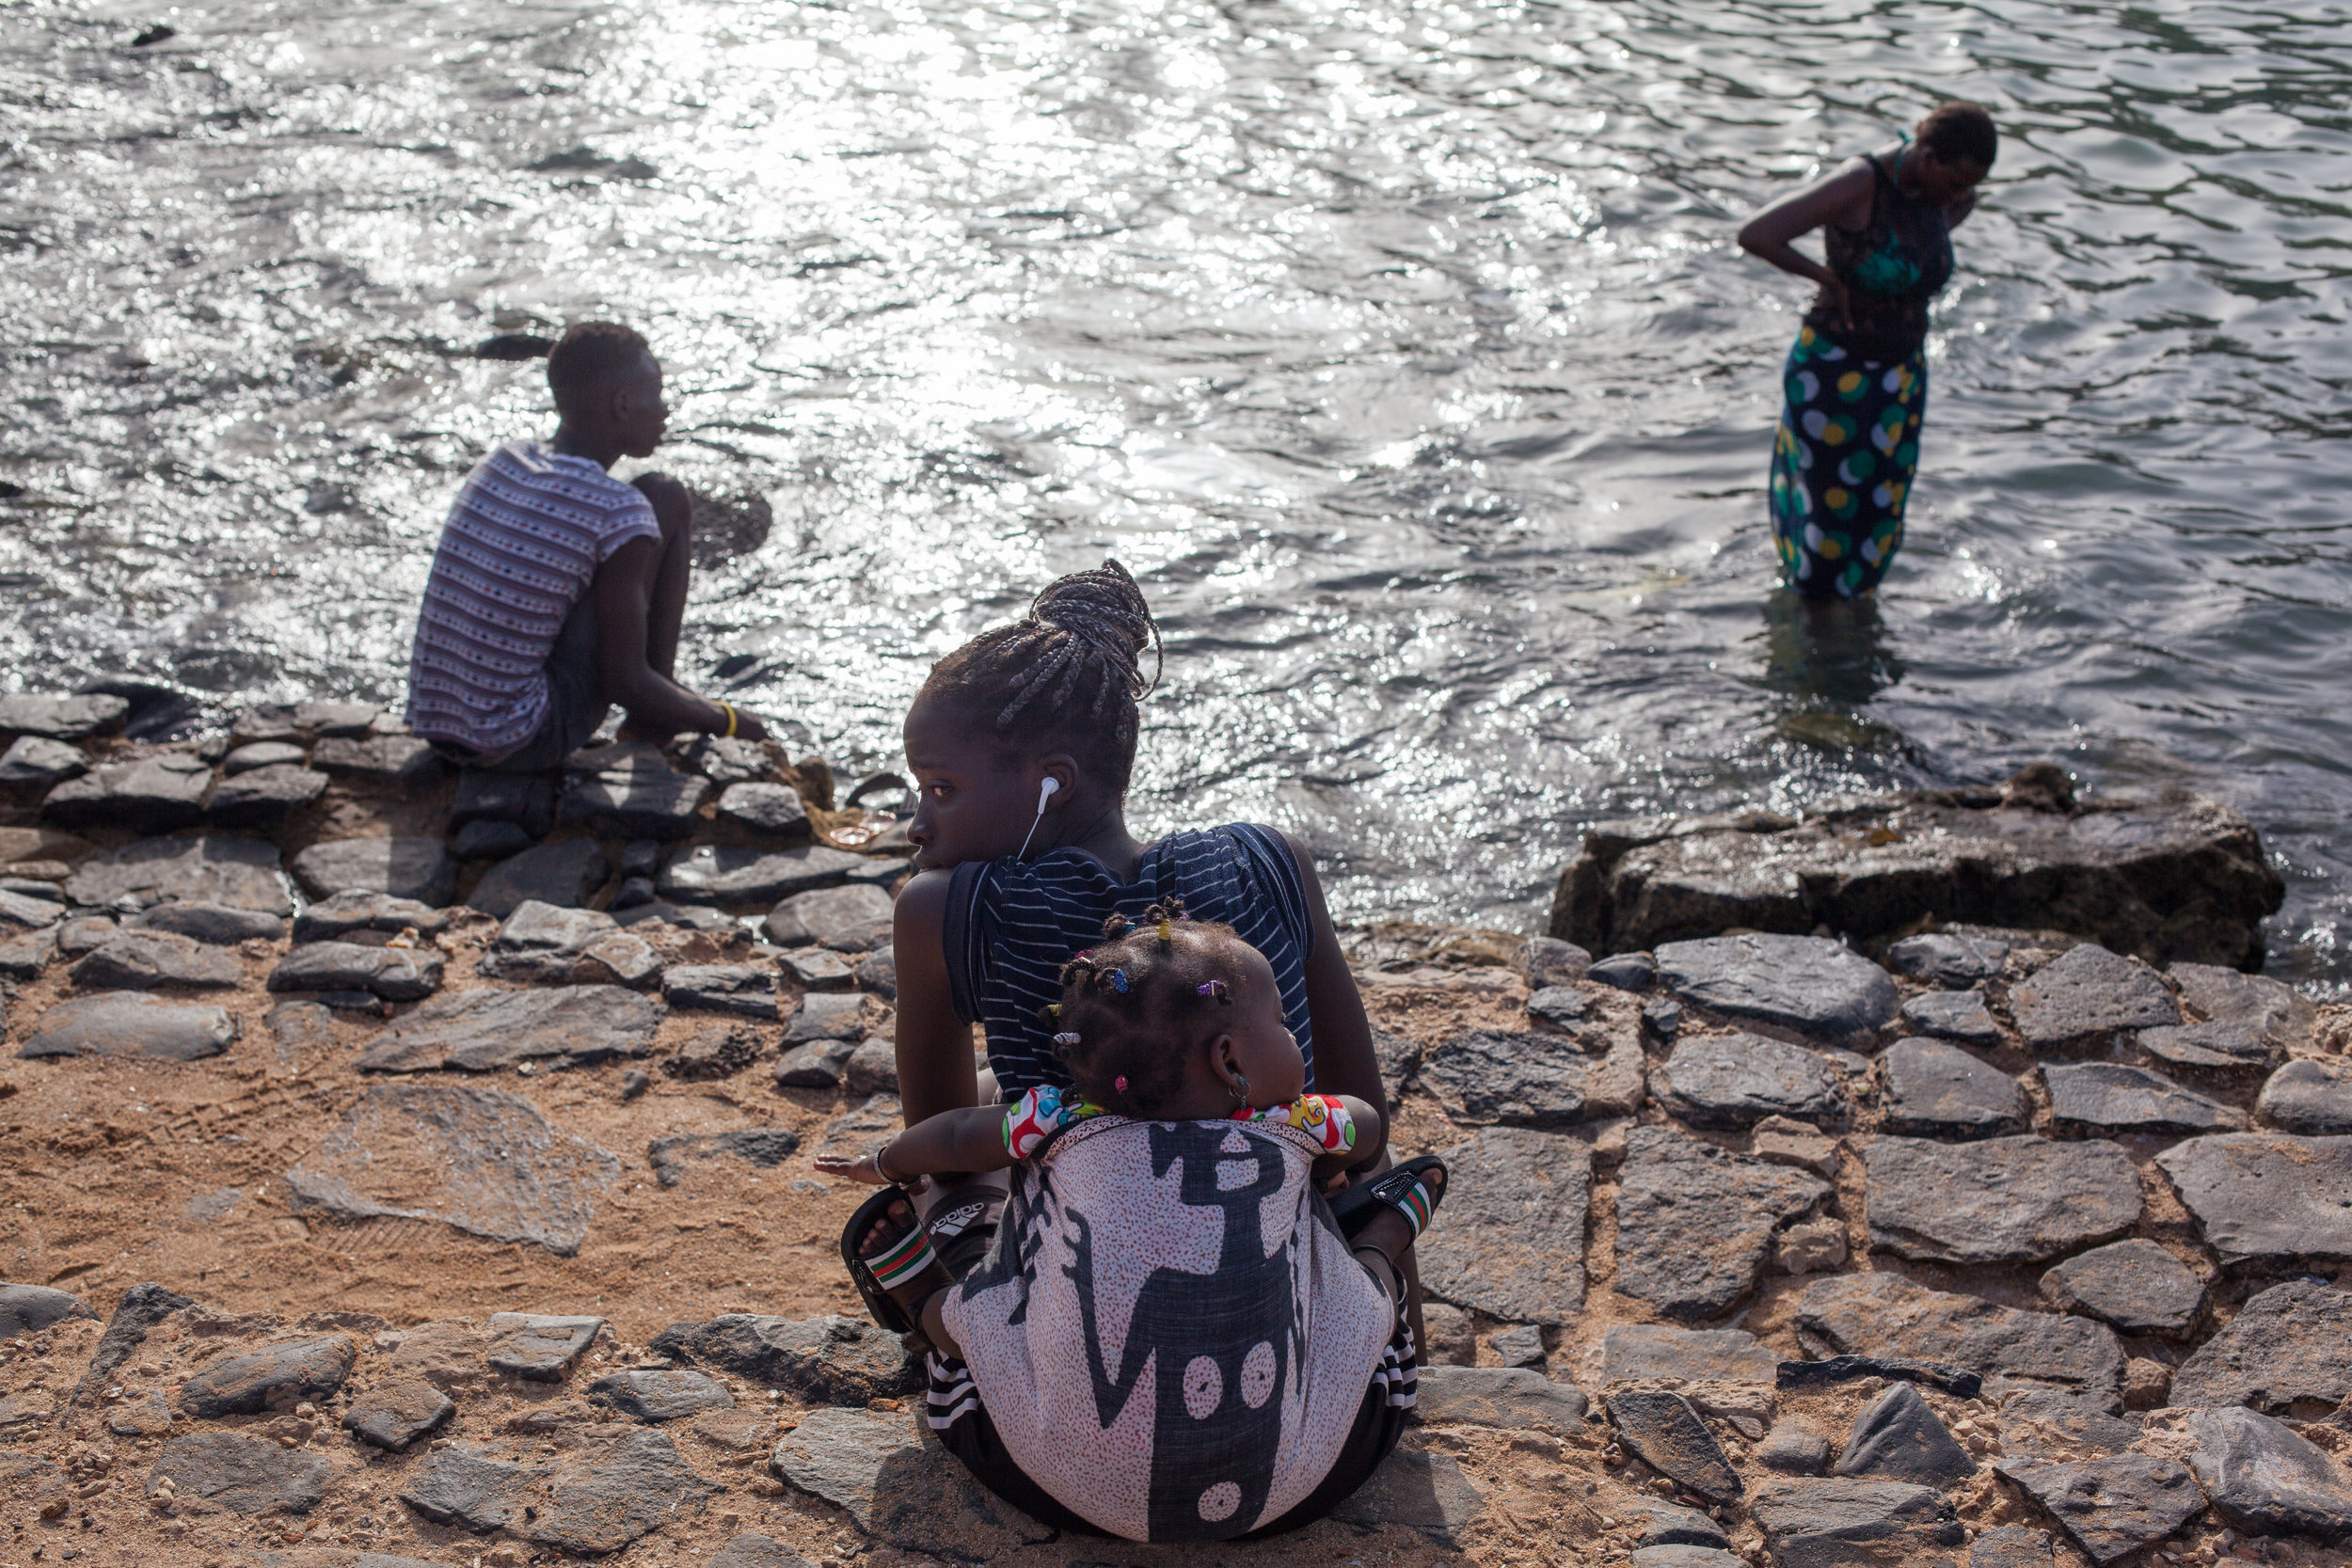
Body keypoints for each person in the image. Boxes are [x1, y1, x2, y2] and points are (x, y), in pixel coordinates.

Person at [815, 909, 1447, 1542]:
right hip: (1299, 1485)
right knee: (1371, 1340)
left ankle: (929, 1304)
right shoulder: (1295, 1120)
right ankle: (1378, 1241)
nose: (1294, 1039)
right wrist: (1329, 1133)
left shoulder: (1056, 1117)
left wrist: (884, 1160)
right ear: (1230, 1060)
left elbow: (953, 1137)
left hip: (1059, 1487)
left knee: (980, 1305)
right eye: (1283, 1022)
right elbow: (1370, 1127)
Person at [404, 320, 765, 770]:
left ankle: (663, 706)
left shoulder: (502, 460)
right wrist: (730, 721)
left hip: (436, 723)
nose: (666, 409)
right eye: (657, 392)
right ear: (623, 405)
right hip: (518, 740)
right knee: (666, 495)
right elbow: (622, 681)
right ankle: (657, 721)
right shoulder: (618, 510)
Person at [1738, 103, 1997, 598]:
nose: (1962, 195)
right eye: (1956, 180)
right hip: (1834, 375)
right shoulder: (1860, 183)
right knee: (1828, 514)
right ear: (1924, 153)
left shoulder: (1945, 196)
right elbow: (1757, 234)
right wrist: (1825, 278)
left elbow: (1942, 221)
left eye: (1970, 184)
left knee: (1880, 512)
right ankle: (1812, 624)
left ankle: (1852, 618)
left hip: (1900, 377)